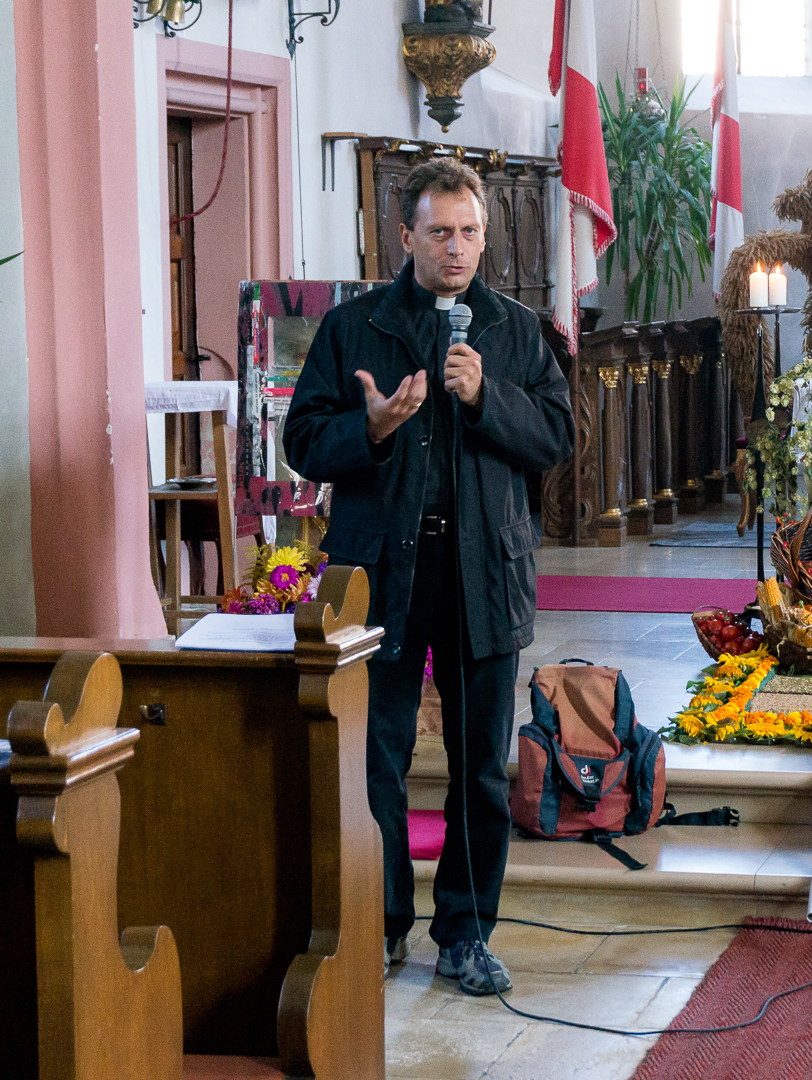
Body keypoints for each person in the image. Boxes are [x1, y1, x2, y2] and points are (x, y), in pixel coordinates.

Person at [283, 157, 574, 995]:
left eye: (470, 232)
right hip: (382, 573)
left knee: (480, 763)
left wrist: (488, 398)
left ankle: (466, 931)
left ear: (487, 237)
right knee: (376, 757)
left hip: (483, 571)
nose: (456, 248)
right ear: (405, 234)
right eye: (439, 231)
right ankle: (377, 926)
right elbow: (304, 439)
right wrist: (368, 429)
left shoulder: (516, 332)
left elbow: (556, 437)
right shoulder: (357, 327)